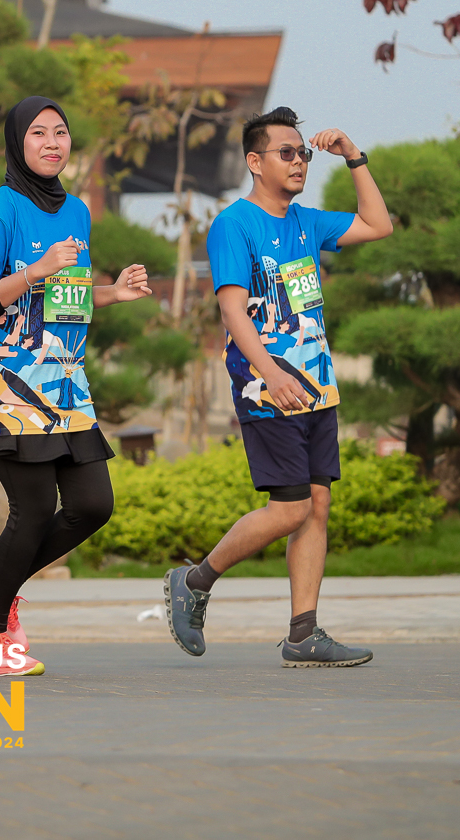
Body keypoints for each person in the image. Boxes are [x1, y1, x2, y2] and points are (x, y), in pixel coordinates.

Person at [161, 106, 392, 667]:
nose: (299, 162)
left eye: (303, 153)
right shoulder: (234, 224)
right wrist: (270, 372)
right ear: (254, 162)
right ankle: (194, 580)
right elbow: (232, 311)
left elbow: (378, 225)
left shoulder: (307, 223)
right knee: (290, 508)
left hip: (316, 385)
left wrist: (354, 157)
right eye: (286, 153)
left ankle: (303, 634)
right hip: (266, 386)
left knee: (317, 505)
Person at [0, 97, 153, 676]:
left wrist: (112, 292)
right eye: (38, 133)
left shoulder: (77, 212)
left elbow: (67, 297)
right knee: (35, 510)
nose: (51, 143)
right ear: (18, 143)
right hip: (8, 384)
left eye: (60, 132)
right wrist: (35, 269)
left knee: (93, 506)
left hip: (66, 385)